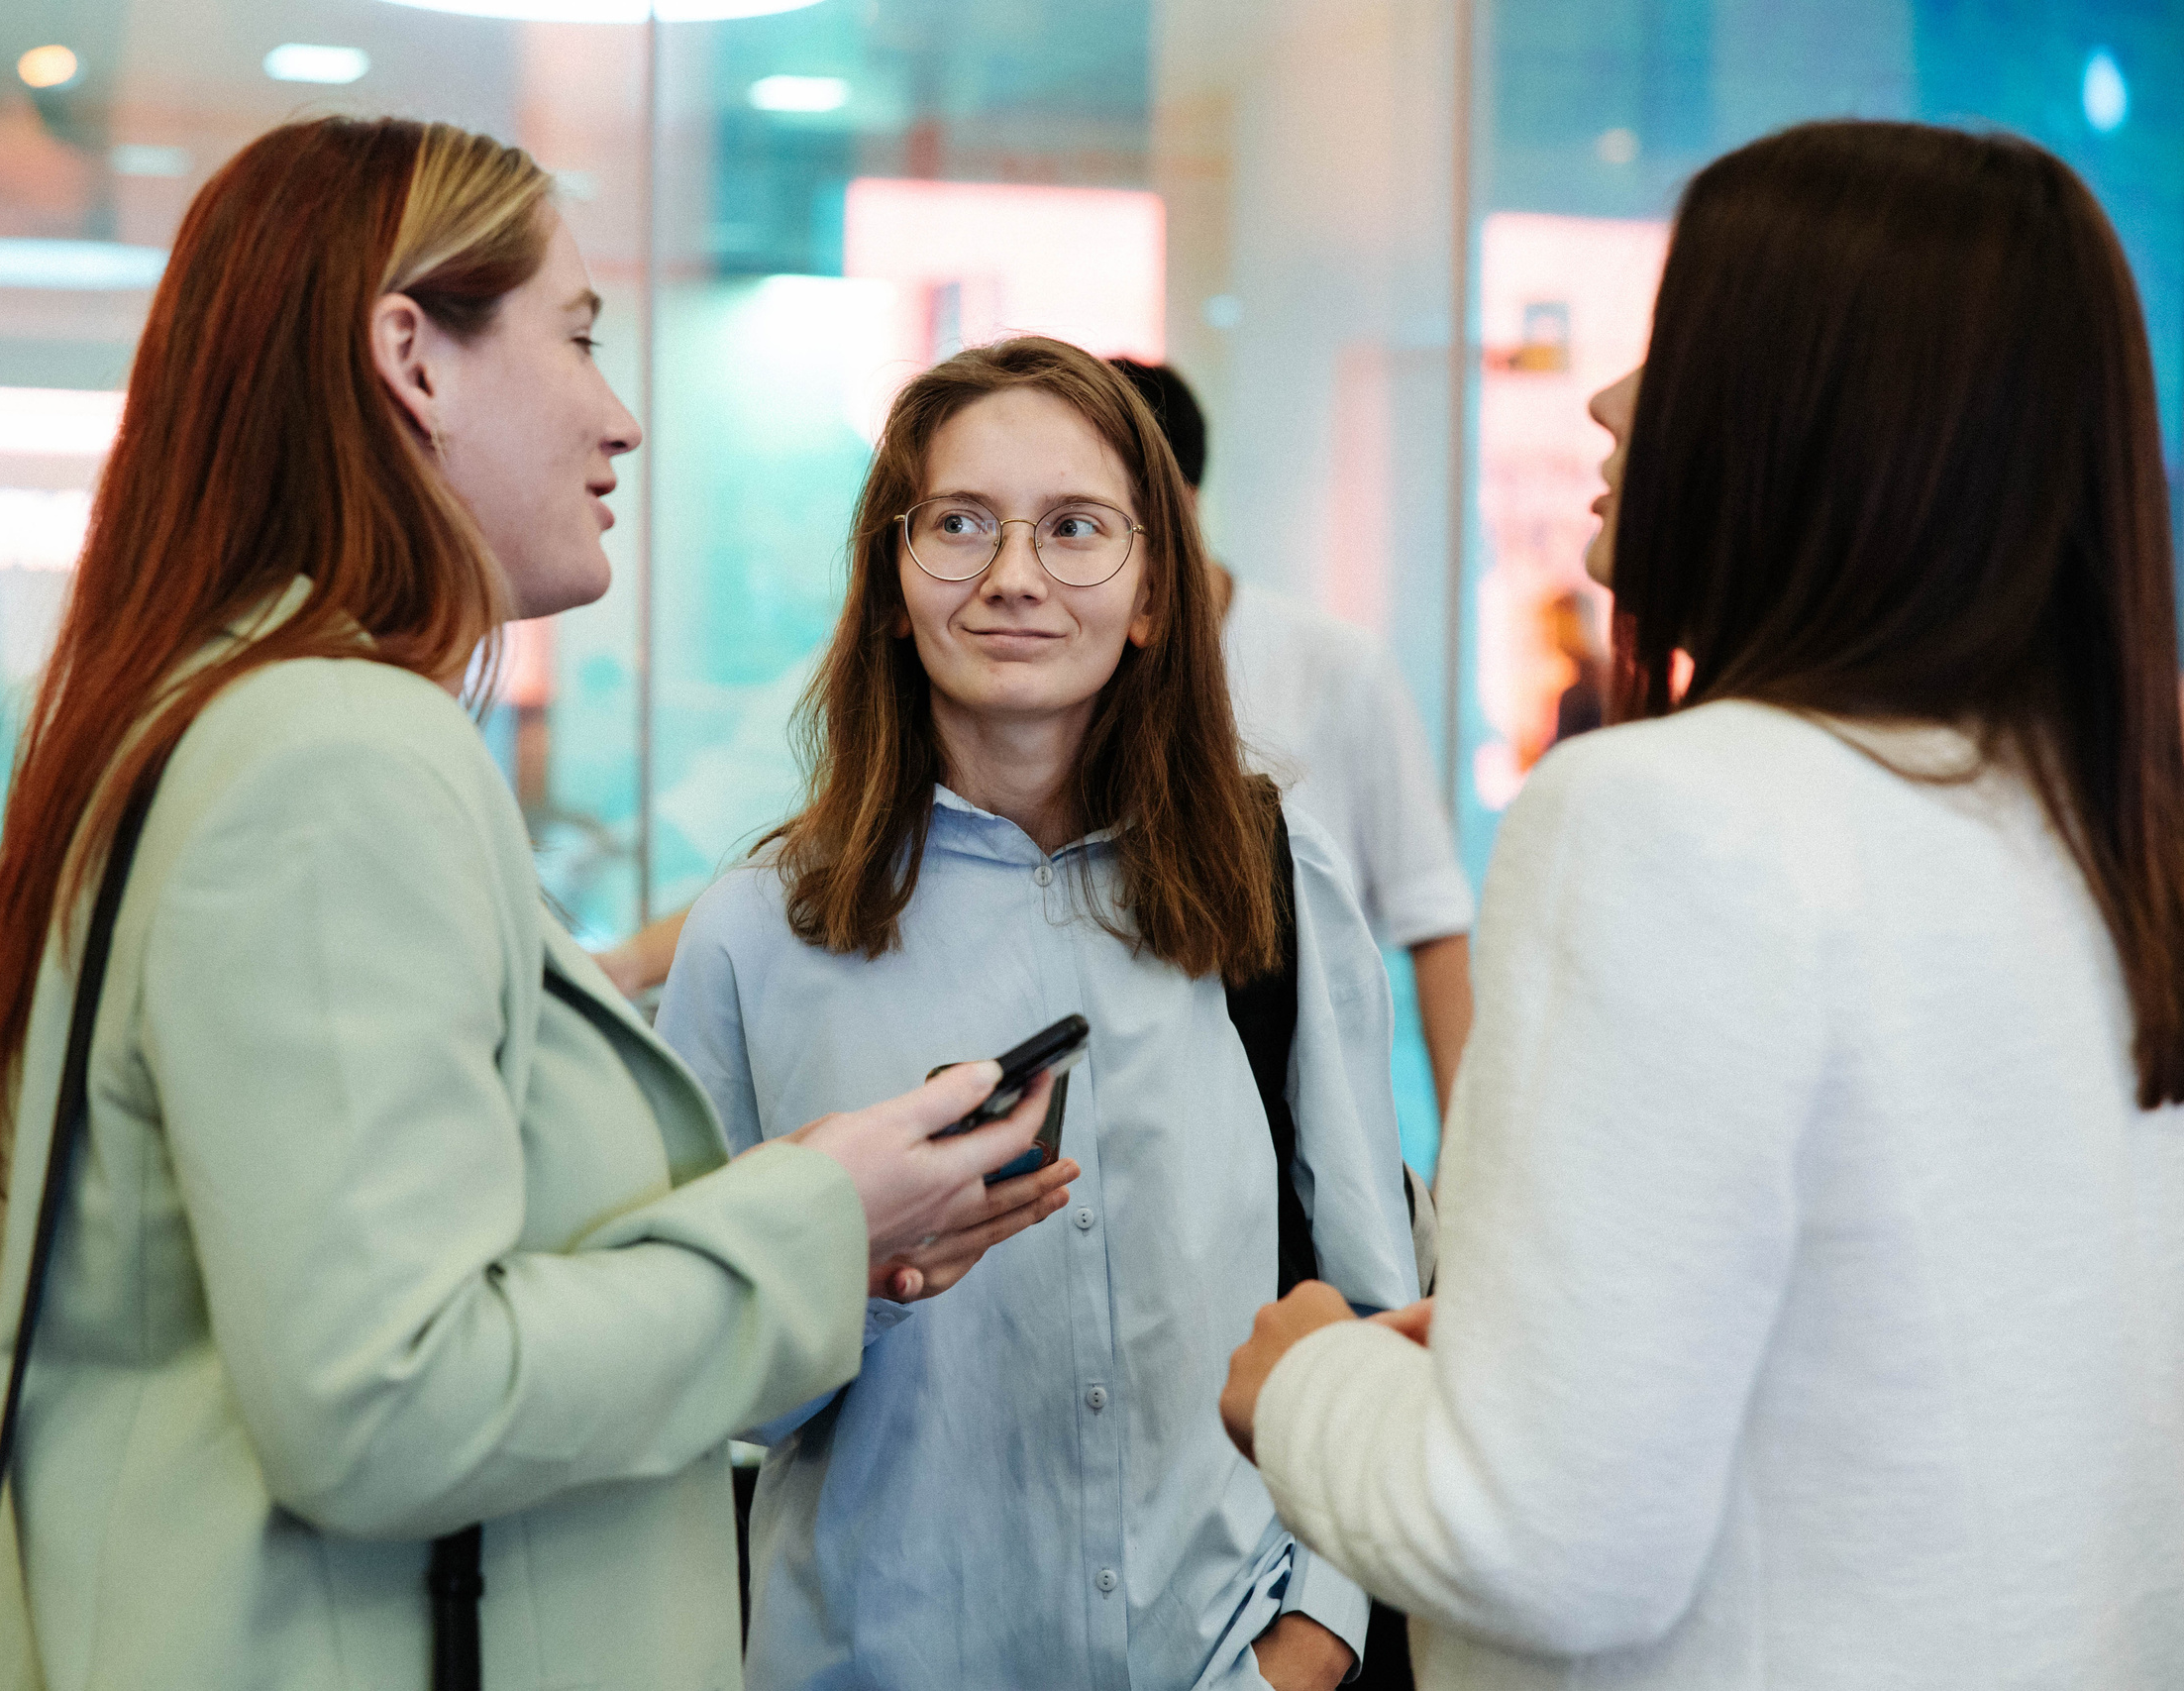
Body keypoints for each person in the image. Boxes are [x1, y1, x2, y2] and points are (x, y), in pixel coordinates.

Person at [0, 117, 1075, 1691]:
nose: (620, 420)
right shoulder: (334, 751)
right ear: (413, 353)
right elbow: (387, 1399)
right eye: (580, 335)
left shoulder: (237, 718)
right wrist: (813, 1220)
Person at [1220, 120, 2184, 1689]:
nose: (1604, 400)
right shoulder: (2104, 827)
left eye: (1665, 347)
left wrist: (1310, 1380)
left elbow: (1539, 1540)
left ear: (1820, 420)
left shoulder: (1671, 818)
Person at [658, 338, 1420, 1691]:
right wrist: (867, 1269)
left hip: (1223, 1659)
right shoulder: (761, 929)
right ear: (893, 583)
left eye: (1076, 528)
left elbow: (1365, 1299)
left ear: (1149, 594)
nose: (1014, 575)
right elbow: (707, 1383)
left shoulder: (1269, 879)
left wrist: (1313, 1636)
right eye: (960, 524)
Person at [1107, 359, 1474, 1117]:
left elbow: (1432, 917)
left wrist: (1466, 1173)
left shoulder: (1337, 665)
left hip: (1312, 1110)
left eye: (1091, 516)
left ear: (1180, 501)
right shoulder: (1076, 675)